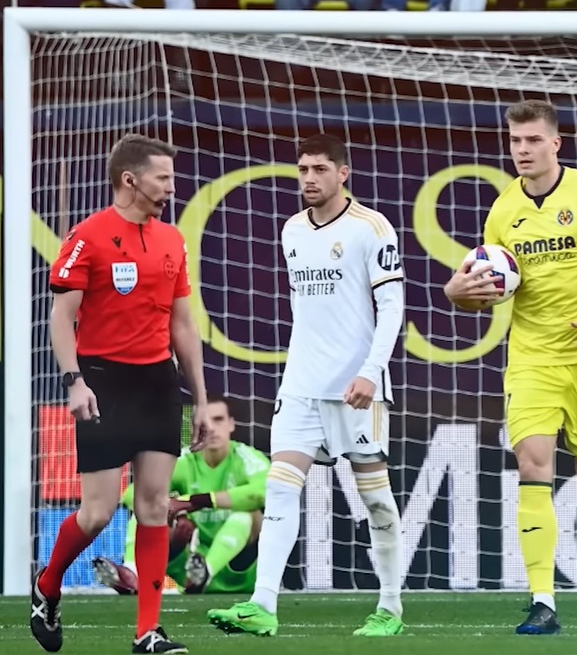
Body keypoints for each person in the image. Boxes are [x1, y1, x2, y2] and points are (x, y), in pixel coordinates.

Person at [443, 99, 577, 635]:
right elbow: (483, 290)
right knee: (534, 466)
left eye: (533, 140)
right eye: (515, 141)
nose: (523, 150)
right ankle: (544, 601)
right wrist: (456, 291)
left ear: (555, 143)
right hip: (531, 359)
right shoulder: (502, 211)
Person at [207, 134, 408, 638]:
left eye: (319, 169)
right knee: (279, 487)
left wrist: (370, 369)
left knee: (377, 501)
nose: (309, 179)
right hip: (300, 383)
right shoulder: (291, 229)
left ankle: (390, 607)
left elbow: (392, 308)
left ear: (343, 173)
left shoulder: (372, 228)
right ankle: (262, 605)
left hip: (358, 388)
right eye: (302, 170)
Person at [36, 133, 211, 655]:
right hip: (102, 381)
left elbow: (183, 323)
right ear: (130, 180)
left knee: (156, 504)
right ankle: (47, 587)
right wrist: (75, 381)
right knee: (98, 511)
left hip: (157, 381)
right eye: (164, 178)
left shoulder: (171, 240)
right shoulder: (87, 237)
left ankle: (147, 633)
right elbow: (61, 319)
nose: (171, 188)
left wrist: (200, 396)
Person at [93, 394, 269, 596]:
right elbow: (130, 494)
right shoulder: (185, 461)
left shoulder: (246, 458)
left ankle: (207, 572)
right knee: (147, 506)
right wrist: (170, 508)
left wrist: (193, 502)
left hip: (242, 573)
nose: (210, 428)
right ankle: (132, 572)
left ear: (231, 424)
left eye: (218, 420)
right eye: (205, 421)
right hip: (189, 570)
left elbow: (264, 491)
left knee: (248, 514)